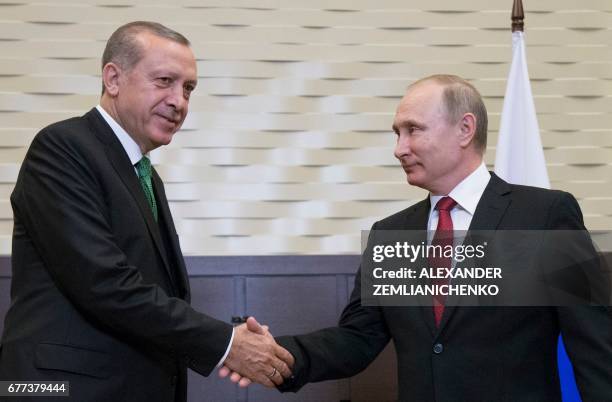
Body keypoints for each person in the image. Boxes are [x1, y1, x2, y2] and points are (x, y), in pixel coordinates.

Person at [221, 74, 612, 401]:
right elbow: (356, 339)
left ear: (465, 129)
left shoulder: (545, 216)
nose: (399, 149)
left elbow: (595, 345)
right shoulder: (392, 234)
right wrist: (278, 355)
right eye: (396, 133)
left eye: (413, 131)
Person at [0, 21, 293, 402]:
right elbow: (104, 283)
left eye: (188, 88)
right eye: (165, 81)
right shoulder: (62, 148)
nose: (179, 101)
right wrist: (226, 344)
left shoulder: (146, 176)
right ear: (113, 79)